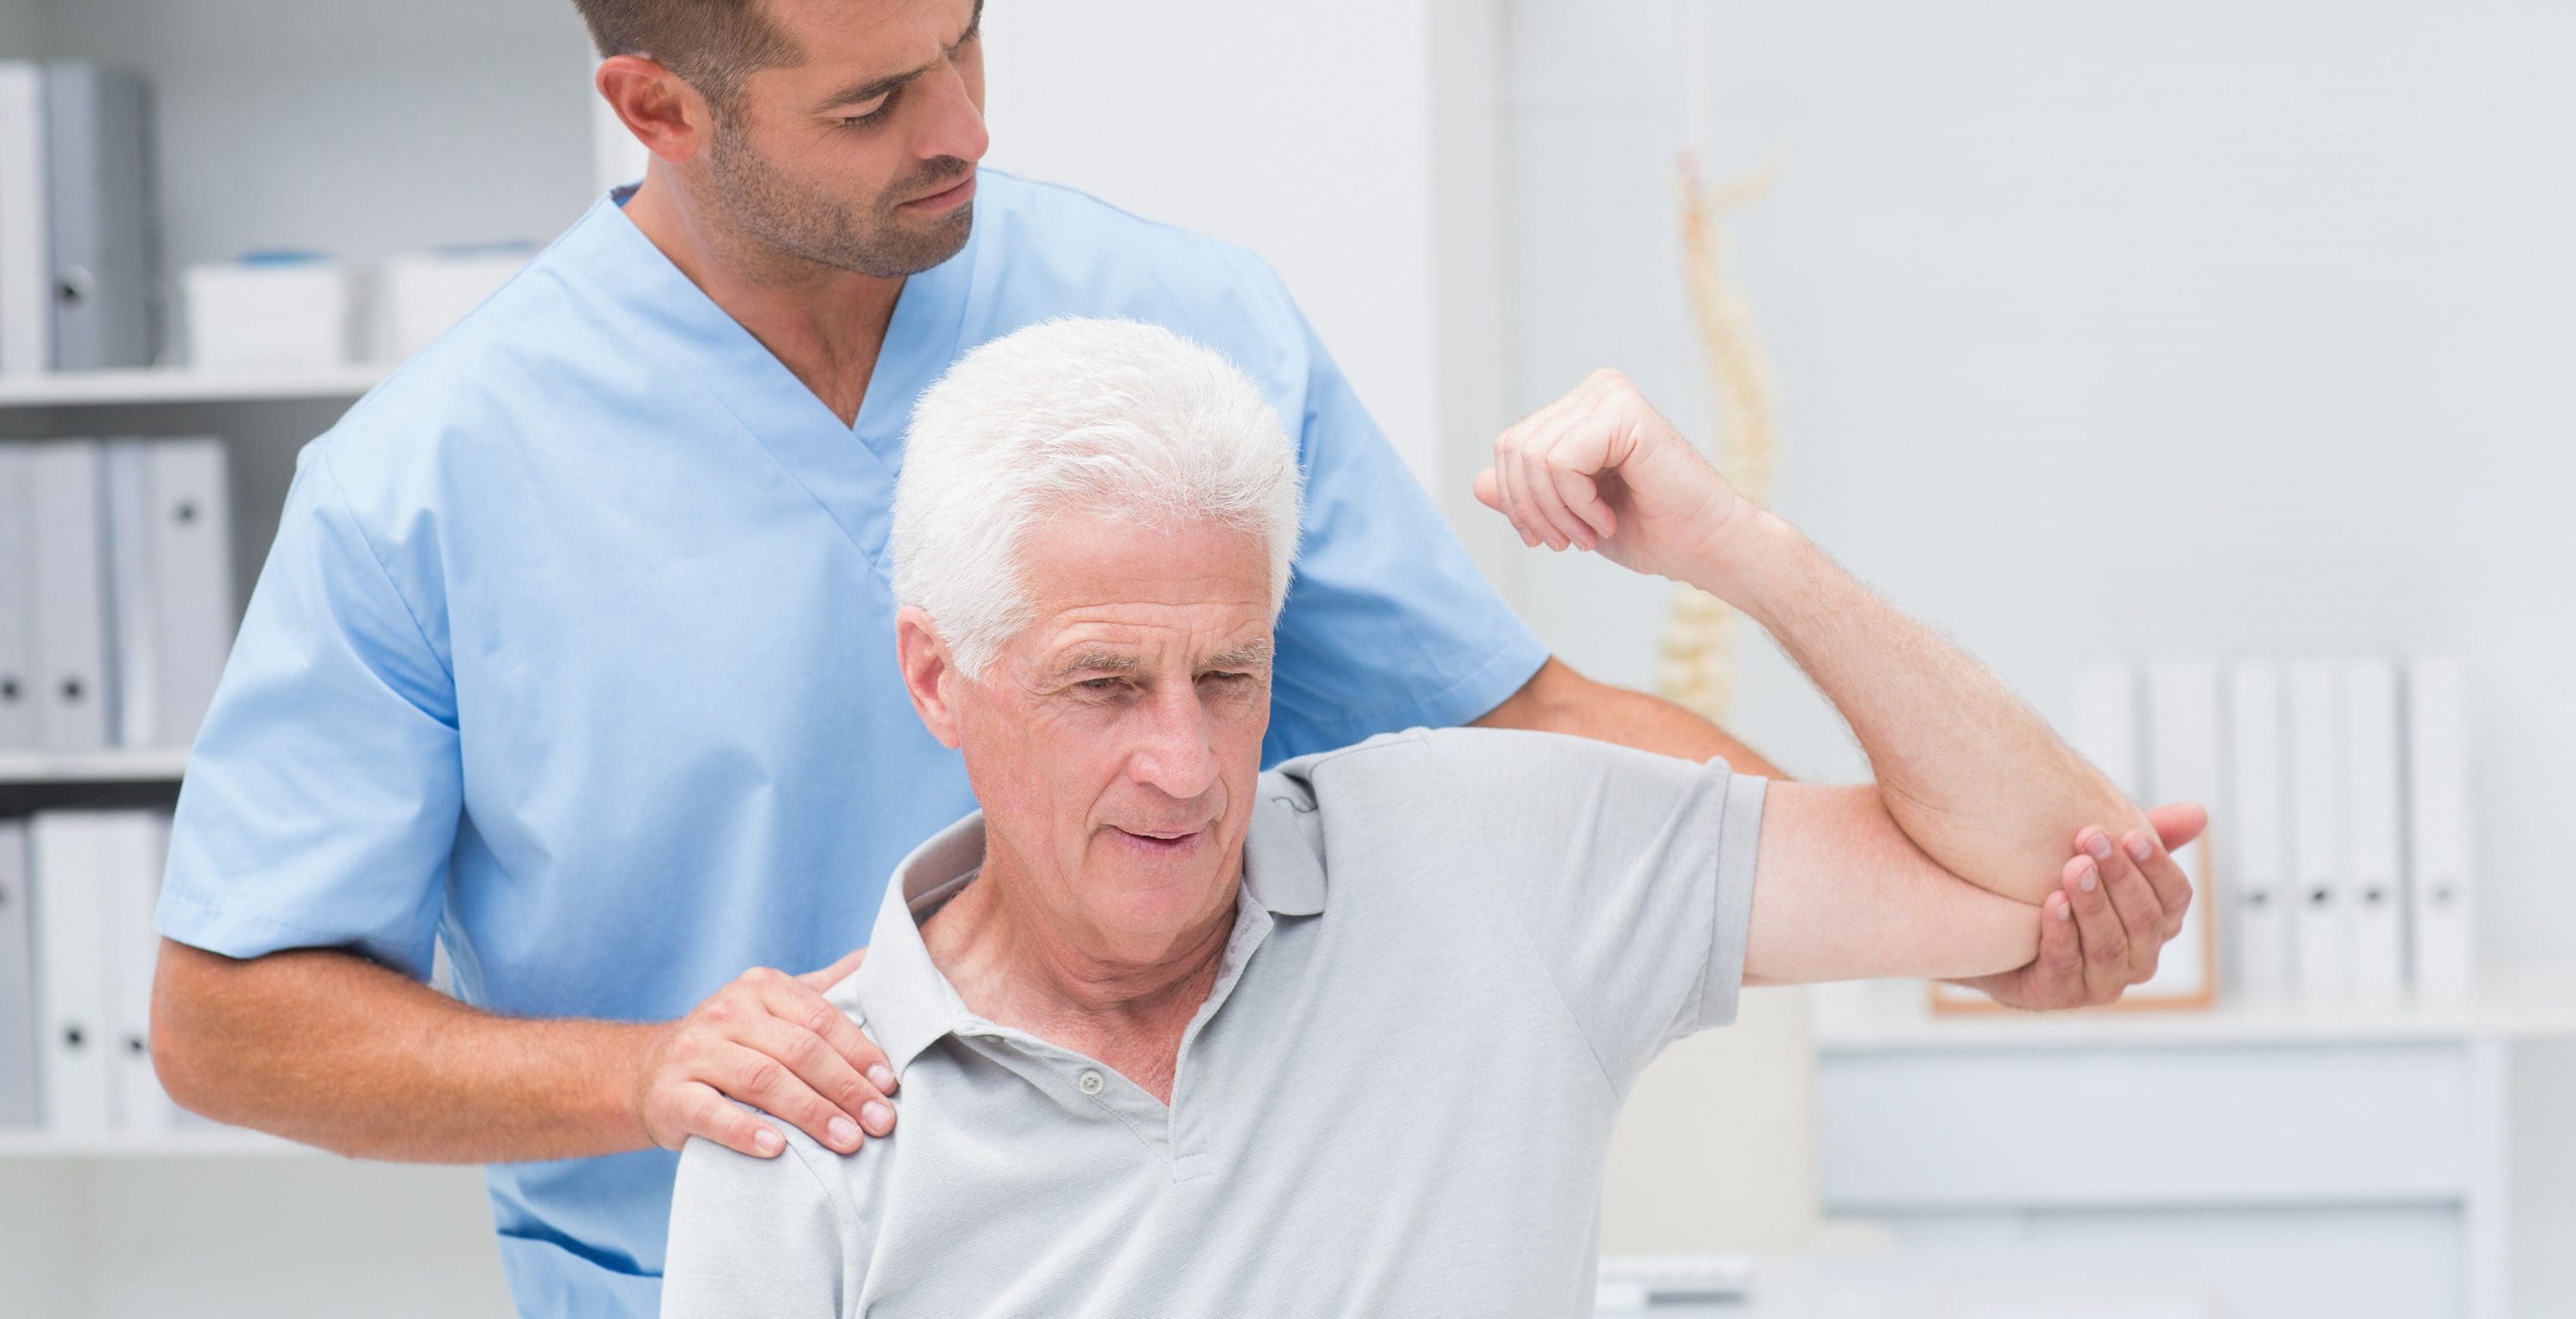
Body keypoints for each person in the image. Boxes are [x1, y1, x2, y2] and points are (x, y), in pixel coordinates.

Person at [146, 0, 2197, 1316]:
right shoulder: (431, 483)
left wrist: (1908, 900)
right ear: (658, 107)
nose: (961, 127)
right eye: (870, 105)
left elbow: (1517, 727)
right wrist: (660, 1072)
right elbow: (227, 1020)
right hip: (722, 1257)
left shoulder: (1175, 324)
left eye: (967, 39)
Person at [659, 320, 2196, 1316]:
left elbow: (2034, 870)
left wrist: (1743, 549)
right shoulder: (800, 1123)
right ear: (942, 677)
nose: (1187, 765)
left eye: (1229, 674)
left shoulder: (1491, 857)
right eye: (1105, 686)